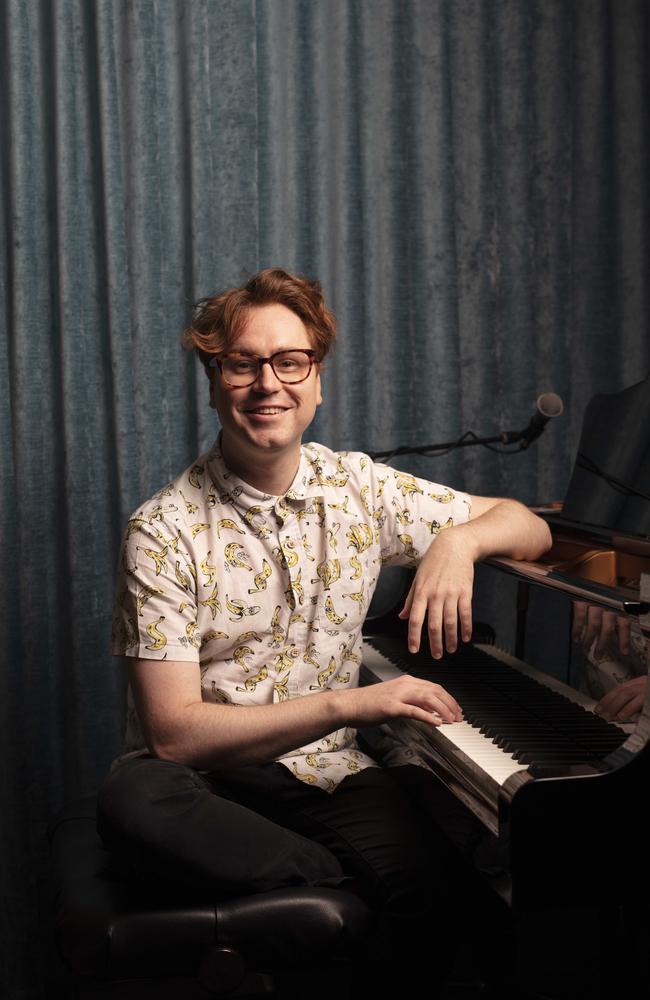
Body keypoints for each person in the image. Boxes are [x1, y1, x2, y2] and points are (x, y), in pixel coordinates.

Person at [99, 268, 551, 996]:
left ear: (317, 382)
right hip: (205, 782)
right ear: (215, 382)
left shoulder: (361, 489)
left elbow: (528, 524)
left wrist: (457, 544)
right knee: (134, 800)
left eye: (289, 362)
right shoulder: (162, 529)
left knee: (447, 894)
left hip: (327, 776)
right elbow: (175, 735)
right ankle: (336, 882)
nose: (266, 384)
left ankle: (335, 887)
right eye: (243, 364)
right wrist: (353, 705)